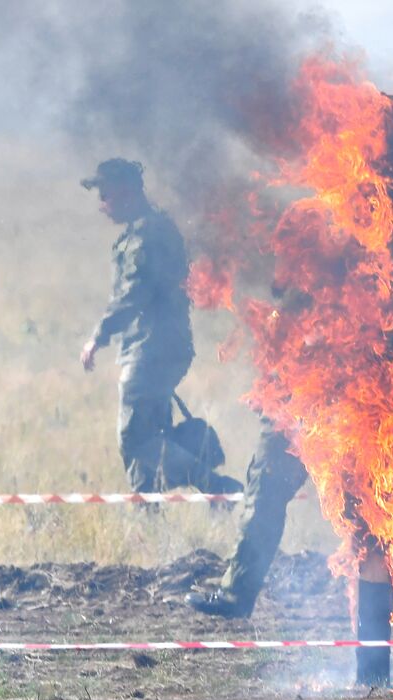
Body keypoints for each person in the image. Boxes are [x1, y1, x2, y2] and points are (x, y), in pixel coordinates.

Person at [79, 158, 243, 496]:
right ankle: (147, 513)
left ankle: (216, 487)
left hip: (151, 348)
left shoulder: (146, 236)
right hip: (157, 346)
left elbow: (133, 294)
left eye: (105, 195)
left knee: (136, 438)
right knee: (152, 433)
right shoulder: (149, 230)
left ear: (125, 192)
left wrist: (99, 336)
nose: (101, 205)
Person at [184, 421, 393, 620]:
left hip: (339, 401)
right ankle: (235, 595)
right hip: (289, 401)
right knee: (265, 490)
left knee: (362, 495)